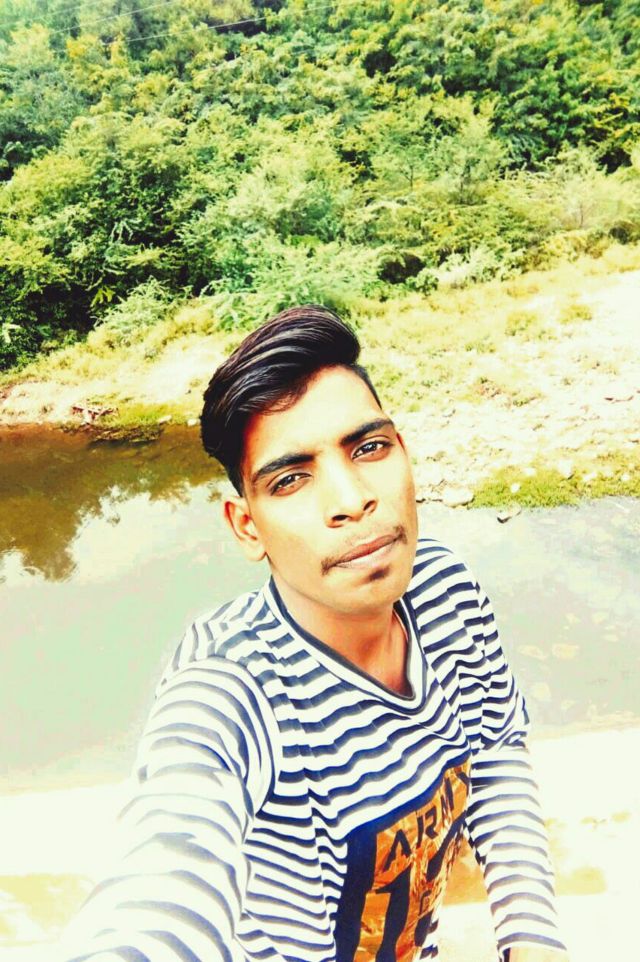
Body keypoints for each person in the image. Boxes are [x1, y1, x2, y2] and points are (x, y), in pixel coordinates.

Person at [61, 305, 568, 962]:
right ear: (247, 527)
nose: (352, 500)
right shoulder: (231, 685)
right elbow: (165, 865)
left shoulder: (445, 591)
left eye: (369, 449)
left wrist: (531, 940)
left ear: (405, 452)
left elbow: (495, 751)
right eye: (292, 479)